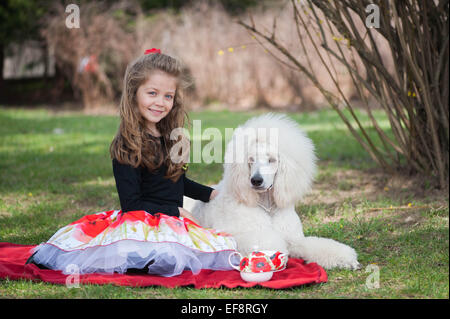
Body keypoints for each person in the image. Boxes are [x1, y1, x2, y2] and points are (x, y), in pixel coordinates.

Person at [26, 49, 237, 277]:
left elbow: (175, 182)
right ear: (134, 93)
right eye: (152, 93)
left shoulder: (169, 137)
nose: (160, 102)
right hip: (143, 223)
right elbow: (131, 204)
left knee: (218, 249)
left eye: (168, 96)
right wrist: (175, 211)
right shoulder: (128, 145)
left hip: (171, 220)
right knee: (164, 258)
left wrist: (213, 194)